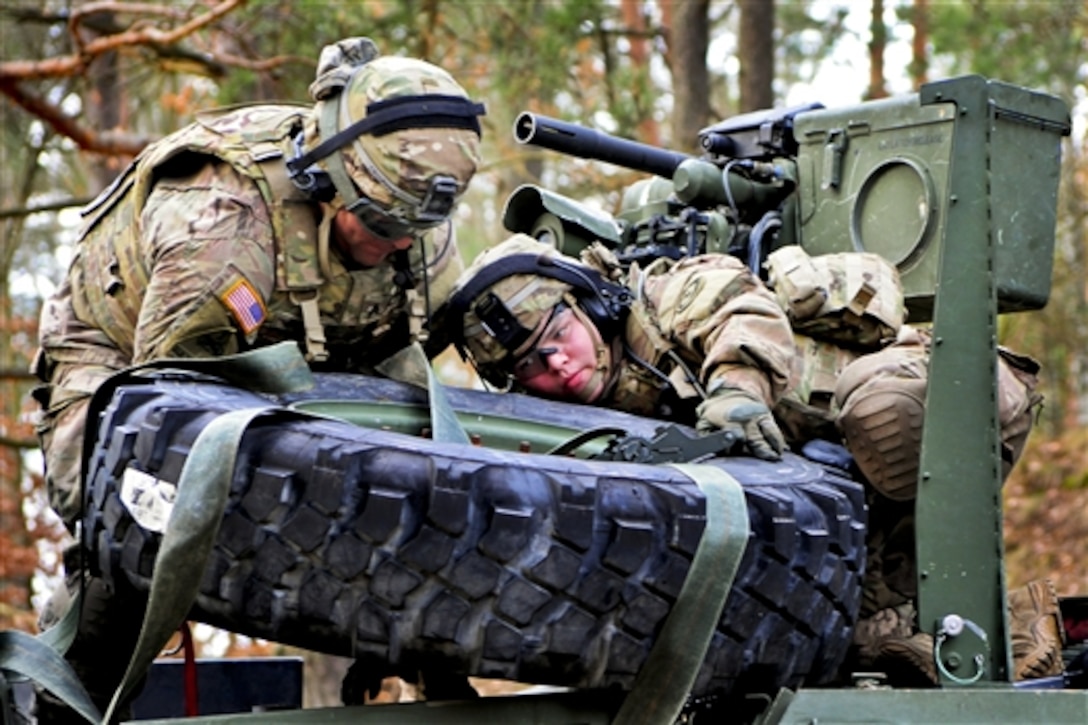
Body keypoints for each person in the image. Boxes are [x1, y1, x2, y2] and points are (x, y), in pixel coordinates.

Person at [31, 37, 484, 721]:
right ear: (333, 181)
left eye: (418, 228)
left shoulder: (414, 215)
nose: (400, 242)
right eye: (386, 222)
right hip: (126, 358)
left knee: (428, 478)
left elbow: (414, 357)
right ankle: (65, 696)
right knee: (139, 522)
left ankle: (433, 681)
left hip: (313, 351)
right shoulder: (223, 229)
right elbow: (159, 420)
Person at [439, 233, 1061, 685]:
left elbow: (740, 309)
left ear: (590, 303)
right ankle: (1018, 623)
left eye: (555, 336)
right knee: (858, 643)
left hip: (945, 401)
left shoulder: (662, 294)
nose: (558, 366)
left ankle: (998, 618)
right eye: (528, 366)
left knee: (881, 417)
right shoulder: (577, 424)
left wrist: (736, 391)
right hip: (830, 500)